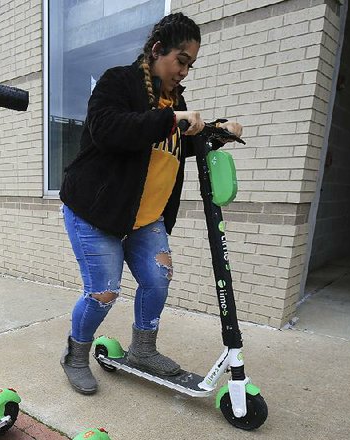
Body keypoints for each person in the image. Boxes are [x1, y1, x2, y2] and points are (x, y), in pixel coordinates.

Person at [59, 12, 243, 395]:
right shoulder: (118, 82)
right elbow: (109, 129)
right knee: (104, 291)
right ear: (158, 49)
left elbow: (176, 143)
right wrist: (170, 118)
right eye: (181, 60)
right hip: (96, 212)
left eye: (191, 64)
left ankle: (143, 350)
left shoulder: (174, 101)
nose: (185, 72)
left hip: (144, 219)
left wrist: (217, 132)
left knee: (158, 279)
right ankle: (75, 356)